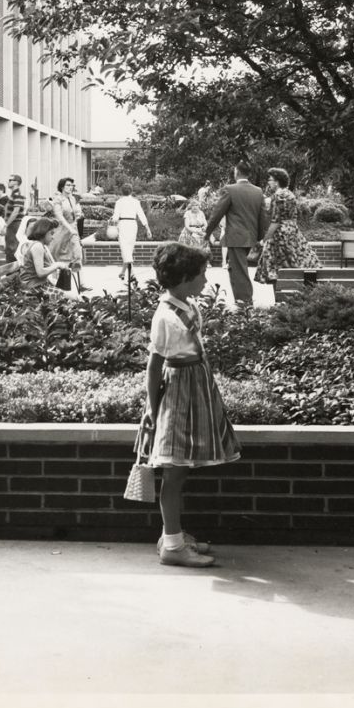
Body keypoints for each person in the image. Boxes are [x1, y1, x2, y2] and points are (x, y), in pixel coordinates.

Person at [139, 242, 241, 567]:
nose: (205, 278)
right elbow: (155, 366)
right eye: (201, 274)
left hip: (194, 391)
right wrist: (154, 412)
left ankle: (174, 534)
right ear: (184, 278)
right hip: (178, 398)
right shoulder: (166, 317)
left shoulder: (185, 304)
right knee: (175, 471)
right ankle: (172, 545)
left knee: (179, 471)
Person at [203, 164, 267, 309]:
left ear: (236, 172)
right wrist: (261, 238)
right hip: (251, 236)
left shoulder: (230, 190)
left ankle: (245, 303)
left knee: (239, 271)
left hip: (237, 237)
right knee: (235, 268)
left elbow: (217, 213)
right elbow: (263, 216)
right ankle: (241, 300)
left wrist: (207, 233)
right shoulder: (258, 191)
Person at [254, 167, 319, 290]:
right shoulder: (290, 194)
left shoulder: (277, 196)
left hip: (279, 236)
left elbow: (276, 221)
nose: (268, 182)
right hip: (293, 232)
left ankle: (279, 299)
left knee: (274, 270)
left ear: (277, 181)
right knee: (297, 263)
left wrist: (264, 240)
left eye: (270, 180)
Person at [16, 216, 76, 295]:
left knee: (74, 297)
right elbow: (40, 273)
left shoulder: (38, 244)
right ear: (43, 232)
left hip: (37, 285)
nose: (53, 237)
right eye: (51, 233)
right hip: (34, 288)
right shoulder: (37, 246)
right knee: (76, 298)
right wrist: (57, 265)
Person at [49, 177, 86, 291]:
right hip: (62, 230)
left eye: (71, 185)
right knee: (56, 255)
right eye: (68, 185)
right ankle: (55, 282)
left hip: (73, 229)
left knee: (77, 254)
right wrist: (69, 228)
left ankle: (80, 283)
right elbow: (59, 216)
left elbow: (75, 213)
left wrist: (78, 216)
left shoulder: (72, 199)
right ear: (62, 187)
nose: (70, 187)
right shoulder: (58, 199)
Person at [113, 182, 150, 283]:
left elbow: (115, 217)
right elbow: (141, 215)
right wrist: (147, 228)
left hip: (123, 224)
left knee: (125, 249)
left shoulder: (119, 202)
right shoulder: (135, 202)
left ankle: (133, 274)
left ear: (122, 191)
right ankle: (123, 272)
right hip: (133, 225)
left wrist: (112, 223)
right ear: (131, 191)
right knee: (129, 249)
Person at [3, 175, 26, 263]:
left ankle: (13, 273)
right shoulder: (14, 195)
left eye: (10, 180)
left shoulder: (17, 195)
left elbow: (15, 212)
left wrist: (6, 225)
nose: (8, 182)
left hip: (15, 224)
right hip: (13, 224)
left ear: (16, 182)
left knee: (12, 248)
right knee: (10, 248)